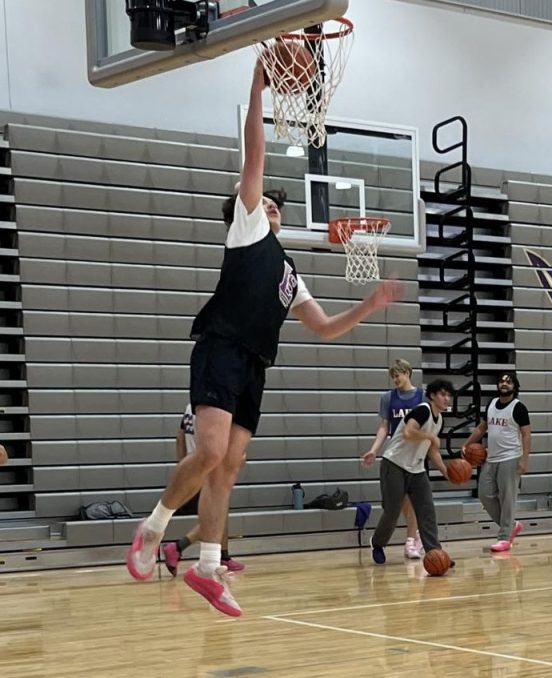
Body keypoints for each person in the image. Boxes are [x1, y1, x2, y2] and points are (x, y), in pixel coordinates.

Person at [124, 60, 403, 617]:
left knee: (227, 467)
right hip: (221, 347)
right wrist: (257, 88)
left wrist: (367, 307)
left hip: (254, 365)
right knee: (207, 452)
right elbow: (256, 154)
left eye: (277, 204)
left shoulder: (289, 272)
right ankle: (153, 528)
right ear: (247, 209)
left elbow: (323, 327)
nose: (271, 205)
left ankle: (207, 568)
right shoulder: (246, 227)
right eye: (264, 201)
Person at [364, 379, 454, 567]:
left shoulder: (440, 420)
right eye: (442, 394)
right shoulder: (423, 410)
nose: (446, 398)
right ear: (432, 396)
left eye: (448, 395)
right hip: (394, 463)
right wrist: (429, 436)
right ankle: (377, 543)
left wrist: (447, 472)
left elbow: (432, 451)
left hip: (416, 468)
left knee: (427, 511)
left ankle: (435, 553)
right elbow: (408, 432)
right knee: (392, 511)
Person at [161, 405, 245, 575]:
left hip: (194, 468)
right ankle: (177, 547)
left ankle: (223, 555)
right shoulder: (219, 408)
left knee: (221, 513)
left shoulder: (190, 407)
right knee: (215, 515)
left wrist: (184, 469)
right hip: (211, 468)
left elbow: (179, 438)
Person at [360, 359, 425, 559]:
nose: (395, 379)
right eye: (393, 376)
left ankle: (410, 542)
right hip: (396, 456)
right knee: (394, 506)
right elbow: (384, 427)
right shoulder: (388, 398)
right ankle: (414, 537)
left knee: (413, 502)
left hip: (416, 457)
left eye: (398, 375)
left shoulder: (422, 397)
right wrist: (373, 450)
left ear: (407, 372)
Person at [463, 371, 532, 552]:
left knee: (507, 499)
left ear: (514, 387)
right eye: (501, 380)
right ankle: (511, 525)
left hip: (511, 457)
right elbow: (481, 428)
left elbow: (526, 434)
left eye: (508, 382)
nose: (504, 383)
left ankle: (504, 537)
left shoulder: (519, 407)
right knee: (484, 494)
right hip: (491, 457)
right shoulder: (492, 404)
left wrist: (524, 460)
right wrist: (467, 444)